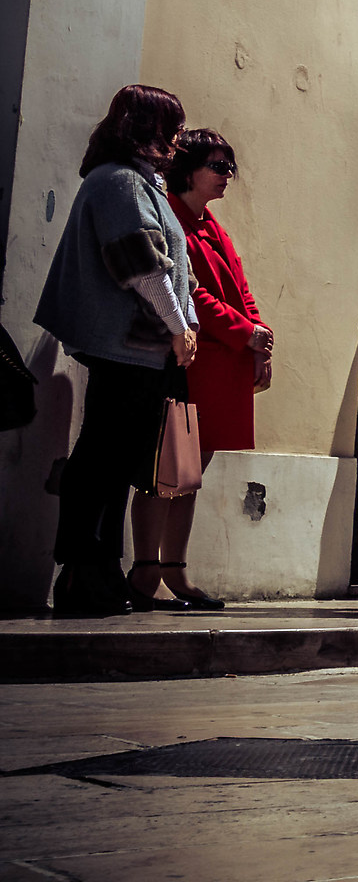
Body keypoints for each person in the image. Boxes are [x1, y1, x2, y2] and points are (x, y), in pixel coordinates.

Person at [38, 86, 200, 617]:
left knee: (113, 461)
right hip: (124, 348)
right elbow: (143, 267)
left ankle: (100, 573)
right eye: (170, 127)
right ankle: (82, 575)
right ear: (144, 127)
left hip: (145, 351)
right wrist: (180, 327)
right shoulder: (119, 182)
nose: (176, 139)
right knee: (101, 459)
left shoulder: (142, 184)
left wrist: (186, 325)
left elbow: (181, 271)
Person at [121, 128, 268, 611]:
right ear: (189, 168)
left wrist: (259, 338)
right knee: (164, 468)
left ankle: (174, 569)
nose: (227, 176)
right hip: (189, 361)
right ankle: (146, 570)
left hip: (223, 363)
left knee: (192, 473)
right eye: (219, 166)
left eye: (231, 167)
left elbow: (239, 286)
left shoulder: (213, 225)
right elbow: (189, 293)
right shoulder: (172, 218)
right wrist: (242, 332)